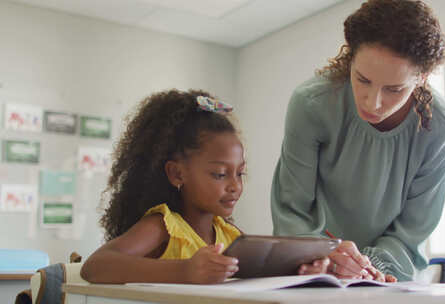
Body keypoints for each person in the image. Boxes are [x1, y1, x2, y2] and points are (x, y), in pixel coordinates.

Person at [271, 0, 445, 282]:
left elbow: (412, 231)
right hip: (316, 269)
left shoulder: (440, 128)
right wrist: (324, 255)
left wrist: (368, 267)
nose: (374, 102)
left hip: (388, 276)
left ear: (422, 78)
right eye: (362, 79)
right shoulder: (311, 104)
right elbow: (292, 210)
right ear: (350, 58)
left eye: (394, 89)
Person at [81, 89, 328, 284]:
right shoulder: (162, 227)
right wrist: (185, 271)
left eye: (240, 173)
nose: (235, 186)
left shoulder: (231, 237)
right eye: (220, 174)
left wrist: (301, 271)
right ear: (177, 173)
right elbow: (96, 266)